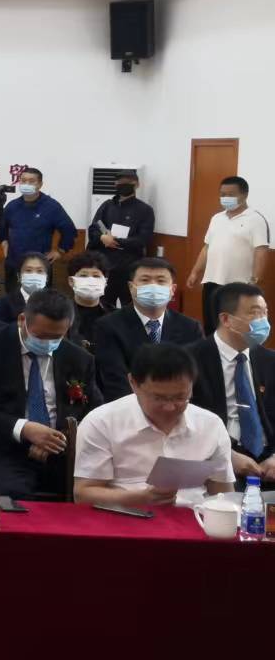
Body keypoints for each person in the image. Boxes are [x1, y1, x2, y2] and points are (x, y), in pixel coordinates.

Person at [0, 289, 102, 500]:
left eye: (56, 337)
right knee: (15, 494)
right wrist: (25, 429)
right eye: (40, 336)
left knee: (88, 491)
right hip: (5, 447)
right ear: (22, 320)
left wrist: (57, 439)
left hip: (62, 450)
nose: (47, 342)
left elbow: (95, 413)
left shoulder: (79, 359)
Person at [74, 344, 234, 508]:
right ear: (133, 383)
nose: (170, 407)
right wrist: (139, 498)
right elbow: (83, 494)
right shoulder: (102, 422)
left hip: (194, 516)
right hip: (125, 515)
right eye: (159, 398)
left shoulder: (211, 425)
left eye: (180, 397)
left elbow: (223, 493)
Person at [184, 281, 275, 485]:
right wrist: (225, 454)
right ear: (226, 319)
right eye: (254, 313)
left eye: (265, 313)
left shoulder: (270, 361)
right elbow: (181, 419)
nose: (263, 321)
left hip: (268, 461)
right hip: (215, 460)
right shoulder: (189, 360)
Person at [92, 258, 203, 402]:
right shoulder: (108, 326)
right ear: (131, 287)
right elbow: (115, 380)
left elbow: (197, 378)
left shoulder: (190, 327)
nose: (153, 286)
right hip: (130, 407)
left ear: (172, 289)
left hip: (179, 406)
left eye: (161, 281)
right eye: (145, 280)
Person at [187, 175, 271, 329]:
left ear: (244, 195)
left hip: (238, 285)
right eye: (222, 194)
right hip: (212, 282)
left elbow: (261, 251)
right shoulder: (216, 218)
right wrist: (195, 272)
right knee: (211, 325)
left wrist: (255, 281)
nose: (225, 198)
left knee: (232, 328)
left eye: (231, 194)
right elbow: (207, 247)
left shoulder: (256, 219)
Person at [0, 166, 77, 286]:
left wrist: (60, 251)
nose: (26, 184)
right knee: (13, 296)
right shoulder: (12, 206)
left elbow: (69, 230)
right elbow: (1, 231)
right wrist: (5, 245)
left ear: (40, 184)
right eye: (23, 180)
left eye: (31, 181)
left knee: (40, 297)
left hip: (39, 266)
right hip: (14, 264)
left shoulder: (51, 206)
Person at [86, 170, 154, 309]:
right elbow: (93, 229)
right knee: (102, 307)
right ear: (115, 184)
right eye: (119, 183)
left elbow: (143, 239)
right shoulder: (107, 205)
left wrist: (115, 241)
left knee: (130, 308)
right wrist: (102, 237)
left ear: (137, 184)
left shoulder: (145, 210)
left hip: (129, 268)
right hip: (104, 267)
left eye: (127, 183)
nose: (123, 185)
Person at [64, 252, 112, 349]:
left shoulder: (114, 315)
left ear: (105, 282)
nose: (90, 280)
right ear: (71, 281)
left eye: (96, 276)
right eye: (83, 276)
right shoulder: (60, 312)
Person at [0, 251, 50, 326]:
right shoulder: (3, 305)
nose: (34, 275)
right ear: (19, 276)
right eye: (28, 270)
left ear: (47, 277)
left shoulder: (56, 304)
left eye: (40, 271)